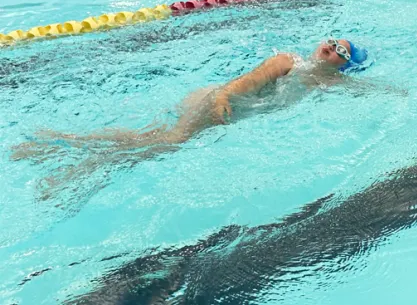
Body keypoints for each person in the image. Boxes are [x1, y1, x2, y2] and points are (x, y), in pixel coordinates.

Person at [10, 38, 369, 198]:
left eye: (340, 51)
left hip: (228, 106)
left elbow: (364, 88)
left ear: (344, 65)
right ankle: (67, 162)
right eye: (333, 41)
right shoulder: (288, 62)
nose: (330, 47)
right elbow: (241, 84)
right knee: (167, 142)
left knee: (154, 138)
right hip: (221, 101)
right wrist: (223, 99)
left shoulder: (323, 79)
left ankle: (55, 145)